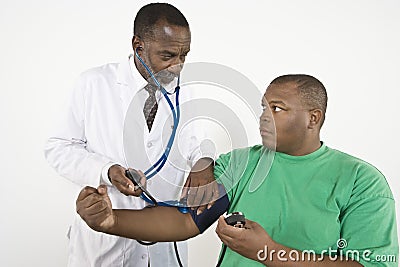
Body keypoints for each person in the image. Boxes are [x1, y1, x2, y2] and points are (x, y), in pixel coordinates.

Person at [75, 74, 399, 266]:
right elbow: (184, 221)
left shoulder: (361, 181)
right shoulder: (240, 163)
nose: (263, 116)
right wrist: (110, 220)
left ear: (313, 118)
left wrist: (268, 252)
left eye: (277, 108)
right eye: (263, 106)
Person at [44, 3, 217, 267]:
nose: (177, 66)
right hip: (107, 242)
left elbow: (197, 144)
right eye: (168, 55)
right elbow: (59, 147)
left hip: (164, 240)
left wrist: (204, 162)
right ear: (138, 45)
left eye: (184, 55)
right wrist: (107, 170)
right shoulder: (94, 83)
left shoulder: (187, 91)